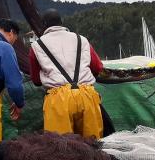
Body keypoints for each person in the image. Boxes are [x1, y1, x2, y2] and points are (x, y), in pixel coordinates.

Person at [29, 9, 104, 138]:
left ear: (44, 25)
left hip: (58, 99)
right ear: (61, 22)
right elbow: (97, 67)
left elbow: (36, 80)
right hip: (86, 94)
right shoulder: (82, 40)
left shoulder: (37, 45)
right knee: (93, 143)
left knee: (61, 146)